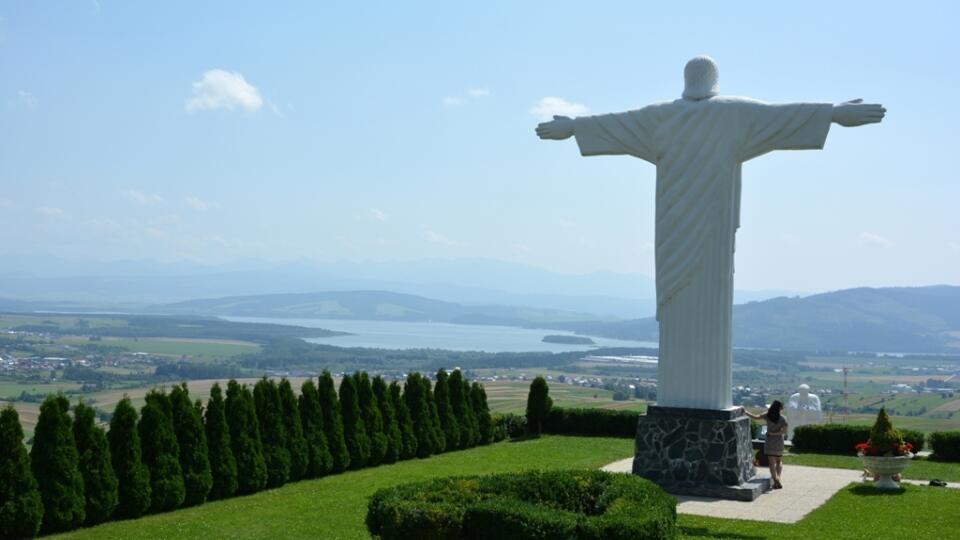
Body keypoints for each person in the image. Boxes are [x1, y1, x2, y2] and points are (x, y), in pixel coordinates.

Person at [743, 401, 788, 489]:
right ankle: (778, 478)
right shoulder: (783, 419)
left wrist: (745, 412)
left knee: (771, 463)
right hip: (779, 442)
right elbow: (784, 432)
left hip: (769, 442)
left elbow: (755, 417)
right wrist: (774, 434)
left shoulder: (767, 415)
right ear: (780, 408)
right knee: (779, 461)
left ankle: (775, 480)